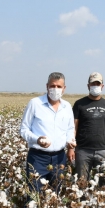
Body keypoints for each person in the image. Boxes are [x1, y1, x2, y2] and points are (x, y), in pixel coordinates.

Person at [20, 72, 75, 200]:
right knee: (34, 197)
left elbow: (70, 129)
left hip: (59, 158)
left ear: (64, 89)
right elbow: (23, 129)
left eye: (59, 86)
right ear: (47, 86)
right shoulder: (35, 103)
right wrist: (37, 139)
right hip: (38, 158)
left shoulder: (67, 106)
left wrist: (70, 141)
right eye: (52, 86)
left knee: (55, 195)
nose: (55, 89)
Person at [68, 72, 105, 182]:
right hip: (82, 151)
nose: (95, 86)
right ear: (88, 86)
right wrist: (71, 148)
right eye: (93, 84)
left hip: (103, 150)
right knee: (81, 183)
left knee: (104, 184)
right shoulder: (79, 104)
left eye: (98, 84)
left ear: (102, 86)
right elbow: (73, 127)